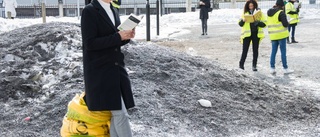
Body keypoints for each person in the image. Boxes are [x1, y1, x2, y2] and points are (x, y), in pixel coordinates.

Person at [81, 0, 135, 136]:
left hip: (116, 68)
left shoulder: (113, 10)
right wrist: (118, 36)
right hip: (101, 71)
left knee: (117, 113)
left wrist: (126, 37)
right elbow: (90, 43)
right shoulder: (89, 11)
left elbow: (114, 39)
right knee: (120, 114)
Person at [238, 0, 266, 71]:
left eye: (252, 6)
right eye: (250, 6)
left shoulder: (259, 13)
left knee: (255, 50)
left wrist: (258, 23)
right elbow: (240, 24)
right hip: (247, 34)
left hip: (256, 34)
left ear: (255, 6)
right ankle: (241, 65)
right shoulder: (245, 13)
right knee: (245, 50)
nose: (251, 7)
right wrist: (243, 20)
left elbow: (265, 23)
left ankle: (254, 65)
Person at [267, 0, 294, 74]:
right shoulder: (281, 13)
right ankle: (285, 68)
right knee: (283, 52)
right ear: (282, 6)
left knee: (273, 52)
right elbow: (285, 24)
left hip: (273, 36)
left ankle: (272, 68)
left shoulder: (269, 12)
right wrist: (288, 22)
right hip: (281, 35)